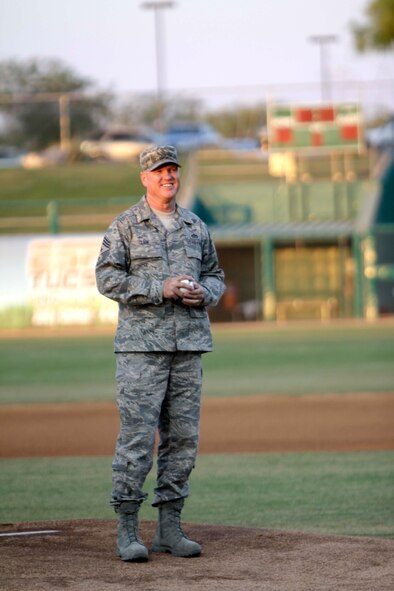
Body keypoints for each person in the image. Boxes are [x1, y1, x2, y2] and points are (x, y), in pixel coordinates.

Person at [95, 145, 225, 562]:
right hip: (141, 349)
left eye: (172, 169)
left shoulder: (194, 225)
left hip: (187, 345)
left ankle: (170, 527)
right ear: (144, 179)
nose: (168, 176)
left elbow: (215, 274)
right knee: (137, 438)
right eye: (159, 171)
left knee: (183, 440)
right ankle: (128, 530)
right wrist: (158, 289)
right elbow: (106, 278)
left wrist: (206, 292)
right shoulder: (126, 226)